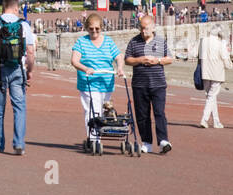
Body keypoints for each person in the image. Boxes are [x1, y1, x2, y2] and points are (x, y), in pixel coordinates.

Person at [0, 0, 36, 155]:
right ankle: (19, 143)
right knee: (19, 107)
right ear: (15, 8)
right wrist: (30, 70)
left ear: (3, 7)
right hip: (18, 69)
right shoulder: (24, 25)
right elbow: (31, 51)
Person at [70, 13, 123, 151]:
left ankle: (98, 134)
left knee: (103, 108)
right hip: (88, 81)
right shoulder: (82, 42)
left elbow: (118, 56)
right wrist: (85, 68)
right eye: (91, 28)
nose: (94, 31)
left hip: (106, 81)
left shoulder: (109, 42)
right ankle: (94, 139)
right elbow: (74, 61)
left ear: (102, 28)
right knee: (93, 109)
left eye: (97, 29)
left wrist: (120, 68)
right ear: (87, 28)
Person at [125, 15, 173, 154]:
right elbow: (127, 59)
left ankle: (163, 140)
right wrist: (139, 60)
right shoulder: (134, 41)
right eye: (141, 28)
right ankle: (146, 142)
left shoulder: (160, 41)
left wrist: (157, 60)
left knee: (159, 112)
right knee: (142, 114)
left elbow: (169, 59)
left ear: (152, 28)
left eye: (145, 28)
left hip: (158, 83)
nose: (142, 31)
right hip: (139, 84)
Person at [196, 26, 233, 129]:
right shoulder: (221, 43)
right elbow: (224, 57)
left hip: (205, 71)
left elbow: (199, 56)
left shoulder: (203, 41)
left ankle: (216, 121)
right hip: (217, 72)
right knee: (211, 97)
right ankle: (204, 119)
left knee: (210, 97)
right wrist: (230, 65)